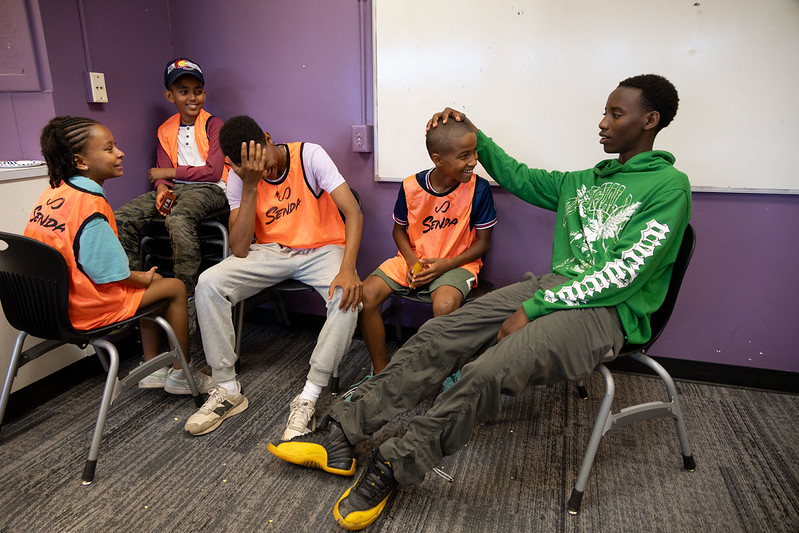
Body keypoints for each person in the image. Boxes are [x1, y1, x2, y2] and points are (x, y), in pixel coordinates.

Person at [267, 74, 692, 530]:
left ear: (650, 121)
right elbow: (518, 176)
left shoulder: (669, 187)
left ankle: (395, 464)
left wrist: (534, 309)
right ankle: (342, 431)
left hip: (607, 312)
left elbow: (624, 274)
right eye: (605, 112)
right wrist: (471, 131)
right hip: (554, 286)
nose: (602, 123)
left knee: (488, 368)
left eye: (615, 113)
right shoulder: (586, 181)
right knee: (440, 334)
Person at [183, 115, 363, 440]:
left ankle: (309, 395)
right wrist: (250, 184)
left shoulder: (310, 155)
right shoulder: (241, 176)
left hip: (323, 249)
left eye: (262, 159)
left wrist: (348, 268)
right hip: (271, 252)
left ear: (267, 137)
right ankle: (226, 389)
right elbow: (238, 248)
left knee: (347, 298)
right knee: (209, 283)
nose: (262, 170)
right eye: (249, 167)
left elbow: (353, 212)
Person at [26, 116, 214, 395]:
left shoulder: (53, 191)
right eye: (109, 148)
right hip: (82, 308)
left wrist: (143, 277)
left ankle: (151, 366)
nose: (120, 153)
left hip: (42, 306)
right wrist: (143, 277)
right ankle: (182, 374)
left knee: (151, 280)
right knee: (172, 286)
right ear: (80, 162)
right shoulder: (92, 207)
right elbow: (110, 274)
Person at [114, 58, 229, 391]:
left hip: (210, 190)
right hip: (176, 188)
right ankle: (137, 292)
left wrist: (167, 176)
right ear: (170, 95)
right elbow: (161, 174)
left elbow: (212, 171)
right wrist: (163, 189)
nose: (192, 98)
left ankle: (186, 299)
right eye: (183, 91)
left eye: (197, 91)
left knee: (178, 219)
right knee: (121, 218)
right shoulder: (165, 129)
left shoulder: (214, 124)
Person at [356, 119, 496, 381]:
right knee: (366, 296)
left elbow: (483, 243)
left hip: (457, 263)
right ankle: (380, 373)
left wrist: (444, 265)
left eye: (474, 152)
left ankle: (447, 374)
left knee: (444, 305)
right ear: (438, 159)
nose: (474, 161)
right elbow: (399, 230)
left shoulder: (479, 188)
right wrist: (411, 261)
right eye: (464, 155)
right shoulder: (410, 186)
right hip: (413, 259)